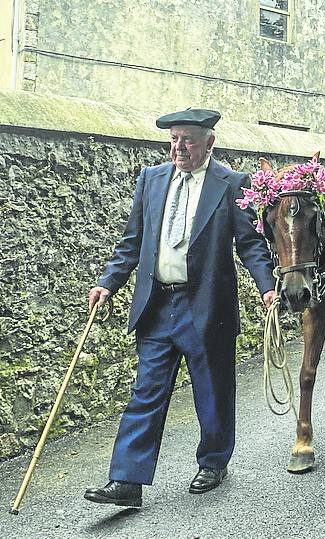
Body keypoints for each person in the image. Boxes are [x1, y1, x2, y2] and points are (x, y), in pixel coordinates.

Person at [84, 109, 276, 507]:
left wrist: (268, 286)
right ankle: (126, 480)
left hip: (206, 304)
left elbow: (250, 244)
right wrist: (108, 283)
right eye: (174, 139)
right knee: (146, 391)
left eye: (188, 139)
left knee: (212, 389)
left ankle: (213, 461)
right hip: (157, 305)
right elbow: (132, 241)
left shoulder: (231, 184)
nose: (179, 147)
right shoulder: (151, 180)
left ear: (209, 143)